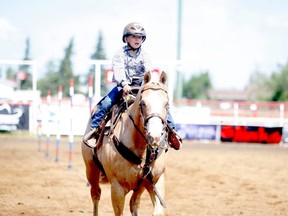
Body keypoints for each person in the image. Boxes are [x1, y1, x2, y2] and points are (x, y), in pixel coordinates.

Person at [83, 22, 182, 150]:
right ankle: (94, 131)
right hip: (123, 86)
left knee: (160, 106)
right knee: (106, 104)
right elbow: (118, 70)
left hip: (141, 87)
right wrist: (124, 83)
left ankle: (171, 132)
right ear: (126, 38)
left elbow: (148, 71)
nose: (137, 40)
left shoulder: (145, 55)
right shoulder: (120, 54)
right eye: (134, 36)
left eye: (139, 37)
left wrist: (148, 84)